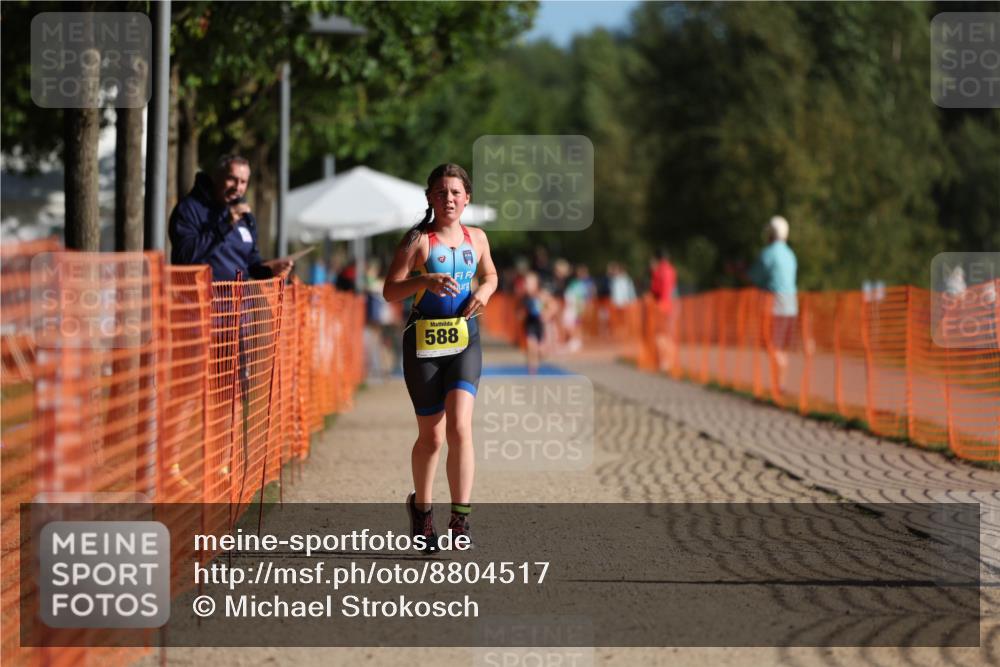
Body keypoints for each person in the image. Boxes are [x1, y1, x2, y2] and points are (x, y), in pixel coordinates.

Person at [383, 163, 498, 552]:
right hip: (424, 345)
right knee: (431, 437)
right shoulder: (417, 240)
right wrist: (425, 280)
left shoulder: (478, 238)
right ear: (430, 197)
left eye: (455, 192)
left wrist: (483, 293)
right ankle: (422, 510)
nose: (448, 198)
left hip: (465, 340)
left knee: (460, 428)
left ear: (467, 198)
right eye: (441, 192)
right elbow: (390, 291)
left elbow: (492, 276)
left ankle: (460, 519)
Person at [169, 154, 292, 280]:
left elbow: (250, 263)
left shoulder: (245, 216)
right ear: (216, 177)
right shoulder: (189, 208)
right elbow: (183, 257)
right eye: (232, 179)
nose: (237, 187)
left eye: (243, 182)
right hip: (200, 298)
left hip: (239, 298)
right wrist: (224, 226)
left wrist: (271, 270)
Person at [748, 215, 798, 390]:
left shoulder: (768, 254)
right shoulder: (791, 255)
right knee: (780, 346)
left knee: (771, 344)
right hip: (791, 307)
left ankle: (780, 384)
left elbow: (754, 277)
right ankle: (779, 384)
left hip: (774, 306)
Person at [649, 248, 677, 373]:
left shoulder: (658, 271)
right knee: (668, 333)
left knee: (660, 334)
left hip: (661, 305)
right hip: (672, 304)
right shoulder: (671, 269)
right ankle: (670, 360)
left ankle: (663, 361)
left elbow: (655, 289)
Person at [519, 272, 546, 374]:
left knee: (540, 351)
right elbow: (519, 310)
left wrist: (546, 314)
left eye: (529, 283)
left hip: (540, 324)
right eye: (526, 283)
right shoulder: (524, 297)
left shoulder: (541, 295)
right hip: (529, 323)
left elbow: (553, 306)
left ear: (536, 284)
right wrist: (520, 314)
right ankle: (532, 368)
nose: (527, 285)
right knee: (531, 346)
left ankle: (537, 359)